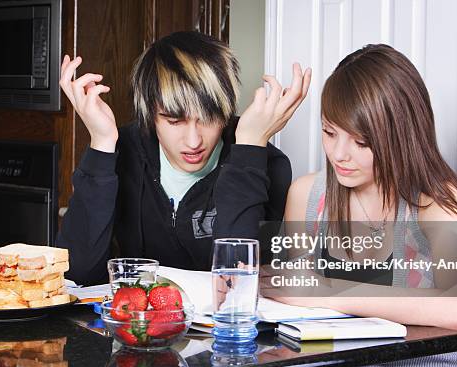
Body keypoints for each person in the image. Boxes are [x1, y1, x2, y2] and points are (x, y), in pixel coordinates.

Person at [261, 44, 457, 367]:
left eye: (361, 142)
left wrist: (324, 290)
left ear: (400, 136)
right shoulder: (306, 195)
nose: (339, 154)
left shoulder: (438, 200)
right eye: (329, 132)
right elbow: (294, 298)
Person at [57, 31, 311, 285]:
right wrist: (101, 145)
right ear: (150, 115)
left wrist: (250, 150)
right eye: (174, 120)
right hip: (139, 321)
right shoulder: (122, 152)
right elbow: (76, 275)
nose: (193, 141)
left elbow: (238, 281)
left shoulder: (265, 163)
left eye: (208, 118)